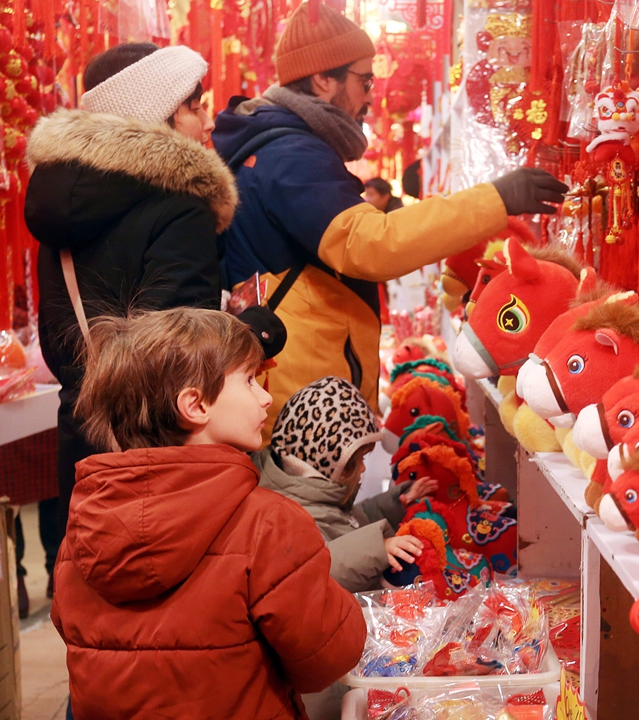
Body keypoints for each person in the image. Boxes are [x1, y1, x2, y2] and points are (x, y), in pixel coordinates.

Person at [212, 1, 568, 431]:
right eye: (364, 80)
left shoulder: (284, 147)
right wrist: (495, 199)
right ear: (325, 79)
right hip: (298, 401)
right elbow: (370, 244)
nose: (370, 95)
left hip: (297, 386)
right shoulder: (292, 155)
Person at [25, 43, 284, 581]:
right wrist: (250, 332)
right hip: (158, 456)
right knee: (178, 620)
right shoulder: (178, 204)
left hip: (83, 442)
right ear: (159, 114)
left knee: (98, 623)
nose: (209, 120)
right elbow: (179, 354)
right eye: (195, 105)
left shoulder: (61, 204)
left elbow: (66, 336)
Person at [51, 308, 365, 719]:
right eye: (250, 380)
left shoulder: (82, 529)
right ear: (195, 405)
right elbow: (327, 656)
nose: (266, 396)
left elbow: (70, 627)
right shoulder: (267, 523)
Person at [254, 376, 439, 593]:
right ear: (327, 459)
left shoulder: (316, 492)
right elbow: (315, 573)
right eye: (355, 462)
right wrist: (377, 549)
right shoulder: (287, 515)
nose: (363, 469)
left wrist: (396, 503)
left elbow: (350, 521)